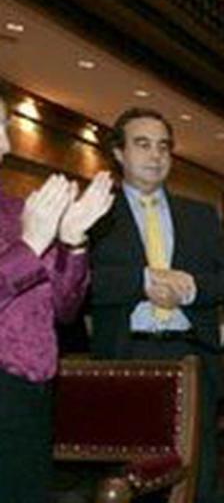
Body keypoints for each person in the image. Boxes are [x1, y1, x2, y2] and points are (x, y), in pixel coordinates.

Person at [87, 107, 224, 503]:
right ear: (119, 153)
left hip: (190, 357)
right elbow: (79, 282)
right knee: (131, 479)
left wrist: (192, 288)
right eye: (143, 145)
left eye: (163, 147)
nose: (156, 156)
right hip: (125, 358)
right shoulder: (95, 212)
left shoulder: (199, 216)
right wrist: (142, 281)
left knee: (199, 481)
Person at [0, 98, 114, 501]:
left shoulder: (22, 211)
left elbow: (65, 308)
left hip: (28, 393)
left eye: (3, 126)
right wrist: (31, 243)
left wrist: (72, 241)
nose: (5, 143)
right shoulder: (30, 225)